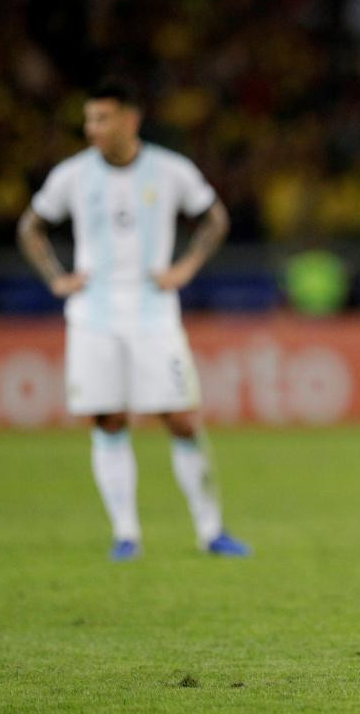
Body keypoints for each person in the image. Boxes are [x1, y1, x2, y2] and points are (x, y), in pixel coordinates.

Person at [17, 77, 250, 561]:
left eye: (102, 118)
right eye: (88, 119)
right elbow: (31, 226)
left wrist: (184, 268)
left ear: (130, 119)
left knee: (181, 419)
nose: (92, 128)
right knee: (109, 419)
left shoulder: (170, 171)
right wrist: (56, 279)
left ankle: (211, 531)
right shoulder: (73, 176)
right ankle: (126, 535)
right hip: (93, 316)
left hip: (152, 313)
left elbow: (215, 218)